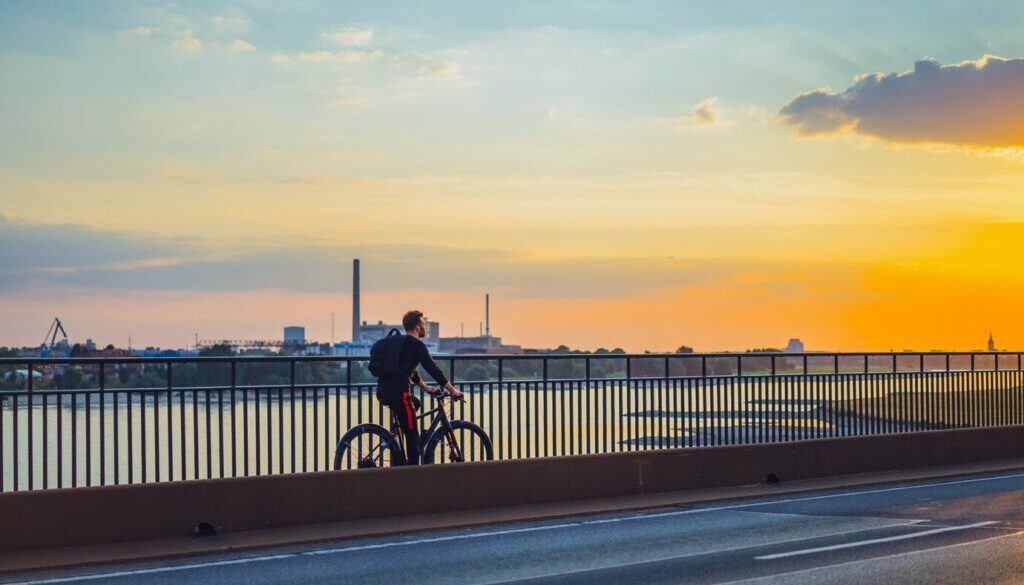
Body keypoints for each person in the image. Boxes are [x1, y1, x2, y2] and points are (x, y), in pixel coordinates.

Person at [377, 310, 462, 465]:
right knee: (412, 435)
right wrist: (452, 390)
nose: (425, 328)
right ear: (417, 327)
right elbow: (432, 368)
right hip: (399, 395)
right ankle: (412, 473)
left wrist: (424, 387)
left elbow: (409, 369)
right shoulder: (416, 345)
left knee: (415, 403)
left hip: (384, 391)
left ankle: (396, 441)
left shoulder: (401, 344)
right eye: (424, 324)